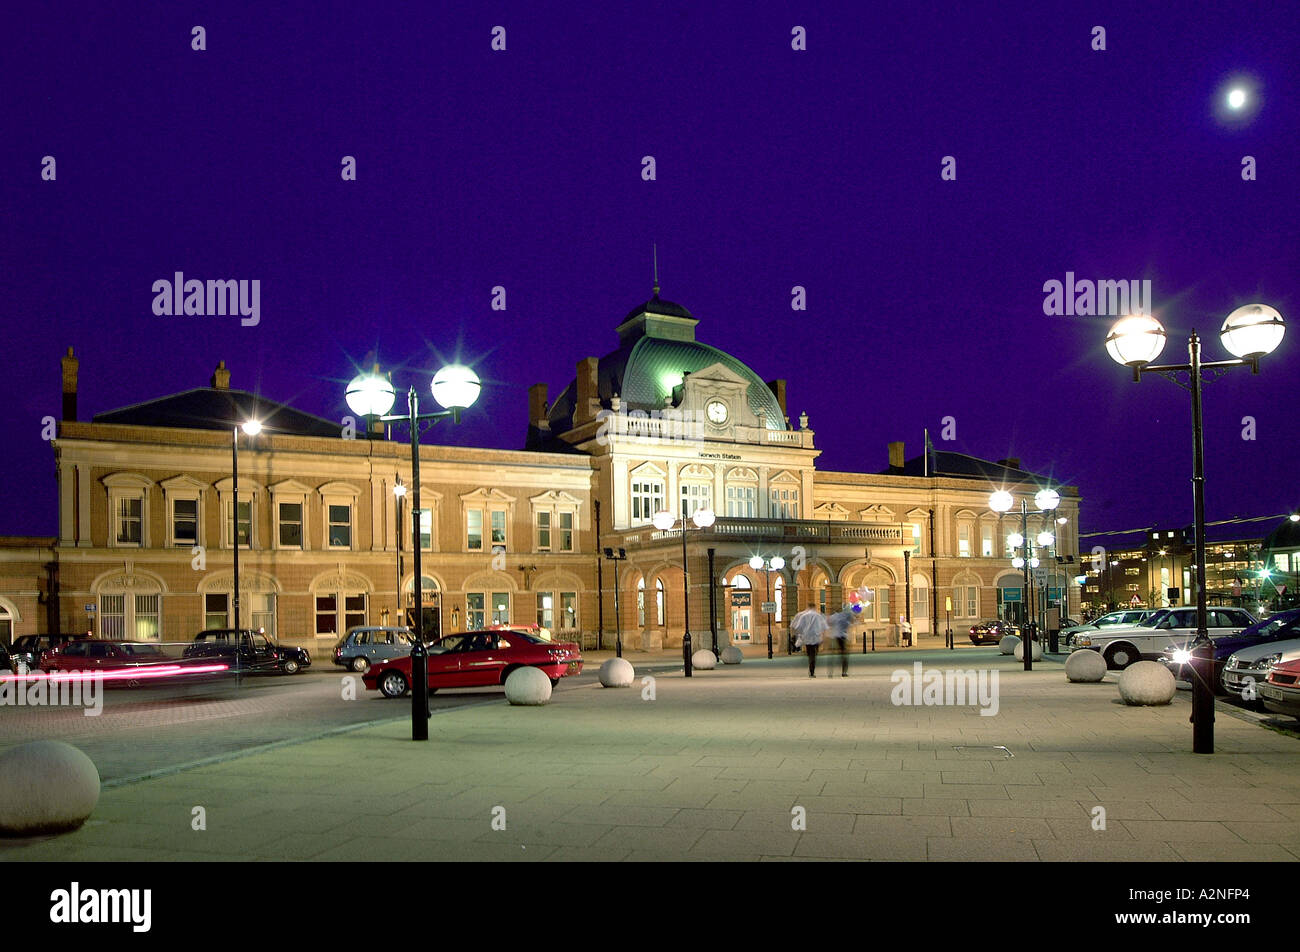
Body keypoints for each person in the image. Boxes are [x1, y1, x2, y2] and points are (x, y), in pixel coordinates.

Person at [790, 607, 828, 677]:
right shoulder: (818, 615)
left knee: (810, 653)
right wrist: (823, 637)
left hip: (807, 637)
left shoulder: (804, 616)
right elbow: (824, 627)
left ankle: (811, 668)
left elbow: (798, 627)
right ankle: (812, 670)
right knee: (813, 654)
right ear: (814, 607)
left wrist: (799, 635)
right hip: (816, 637)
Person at [828, 606, 853, 676]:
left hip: (834, 636)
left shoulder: (833, 617)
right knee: (844, 654)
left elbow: (829, 623)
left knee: (832, 654)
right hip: (842, 636)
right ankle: (844, 672)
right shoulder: (844, 616)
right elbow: (848, 624)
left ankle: (830, 672)